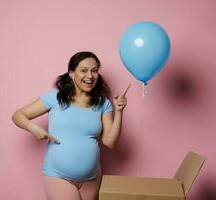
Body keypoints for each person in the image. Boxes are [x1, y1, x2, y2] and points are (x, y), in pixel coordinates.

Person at [12, 51, 129, 200]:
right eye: (84, 70)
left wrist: (119, 112)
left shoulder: (103, 103)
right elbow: (18, 115)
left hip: (92, 178)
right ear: (72, 73)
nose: (90, 76)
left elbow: (110, 142)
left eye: (94, 71)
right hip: (59, 176)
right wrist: (33, 128)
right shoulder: (55, 98)